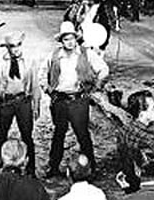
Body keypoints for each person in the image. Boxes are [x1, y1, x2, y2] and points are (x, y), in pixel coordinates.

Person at [40, 21, 109, 178]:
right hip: (60, 101)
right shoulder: (54, 55)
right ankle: (54, 167)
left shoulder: (86, 54)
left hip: (79, 100)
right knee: (59, 134)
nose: (70, 42)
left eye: (72, 39)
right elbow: (42, 73)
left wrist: (96, 86)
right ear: (61, 41)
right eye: (66, 39)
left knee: (82, 134)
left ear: (76, 39)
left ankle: (90, 168)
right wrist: (48, 90)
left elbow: (103, 69)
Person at [0, 33, 40, 176]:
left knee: (27, 136)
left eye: (18, 45)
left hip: (23, 101)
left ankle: (30, 170)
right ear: (7, 47)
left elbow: (35, 84)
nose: (15, 49)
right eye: (12, 46)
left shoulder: (29, 60)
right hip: (6, 102)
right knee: (0, 135)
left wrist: (36, 105)